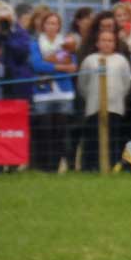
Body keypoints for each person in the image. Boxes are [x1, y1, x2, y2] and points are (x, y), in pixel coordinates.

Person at [74, 28, 131, 170]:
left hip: (115, 107)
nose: (107, 43)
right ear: (97, 43)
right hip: (94, 106)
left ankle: (113, 165)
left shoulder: (121, 60)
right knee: (93, 138)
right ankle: (90, 167)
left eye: (110, 40)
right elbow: (83, 83)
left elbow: (126, 83)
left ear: (115, 43)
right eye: (103, 40)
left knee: (113, 138)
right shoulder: (90, 60)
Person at [29, 10, 77, 172]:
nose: (52, 26)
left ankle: (60, 164)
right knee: (44, 130)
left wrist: (50, 66)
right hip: (42, 94)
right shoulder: (35, 44)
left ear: (59, 26)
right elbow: (36, 65)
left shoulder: (66, 44)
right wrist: (60, 67)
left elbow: (72, 66)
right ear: (43, 25)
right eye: (49, 23)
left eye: (55, 23)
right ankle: (45, 166)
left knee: (61, 130)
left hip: (64, 93)